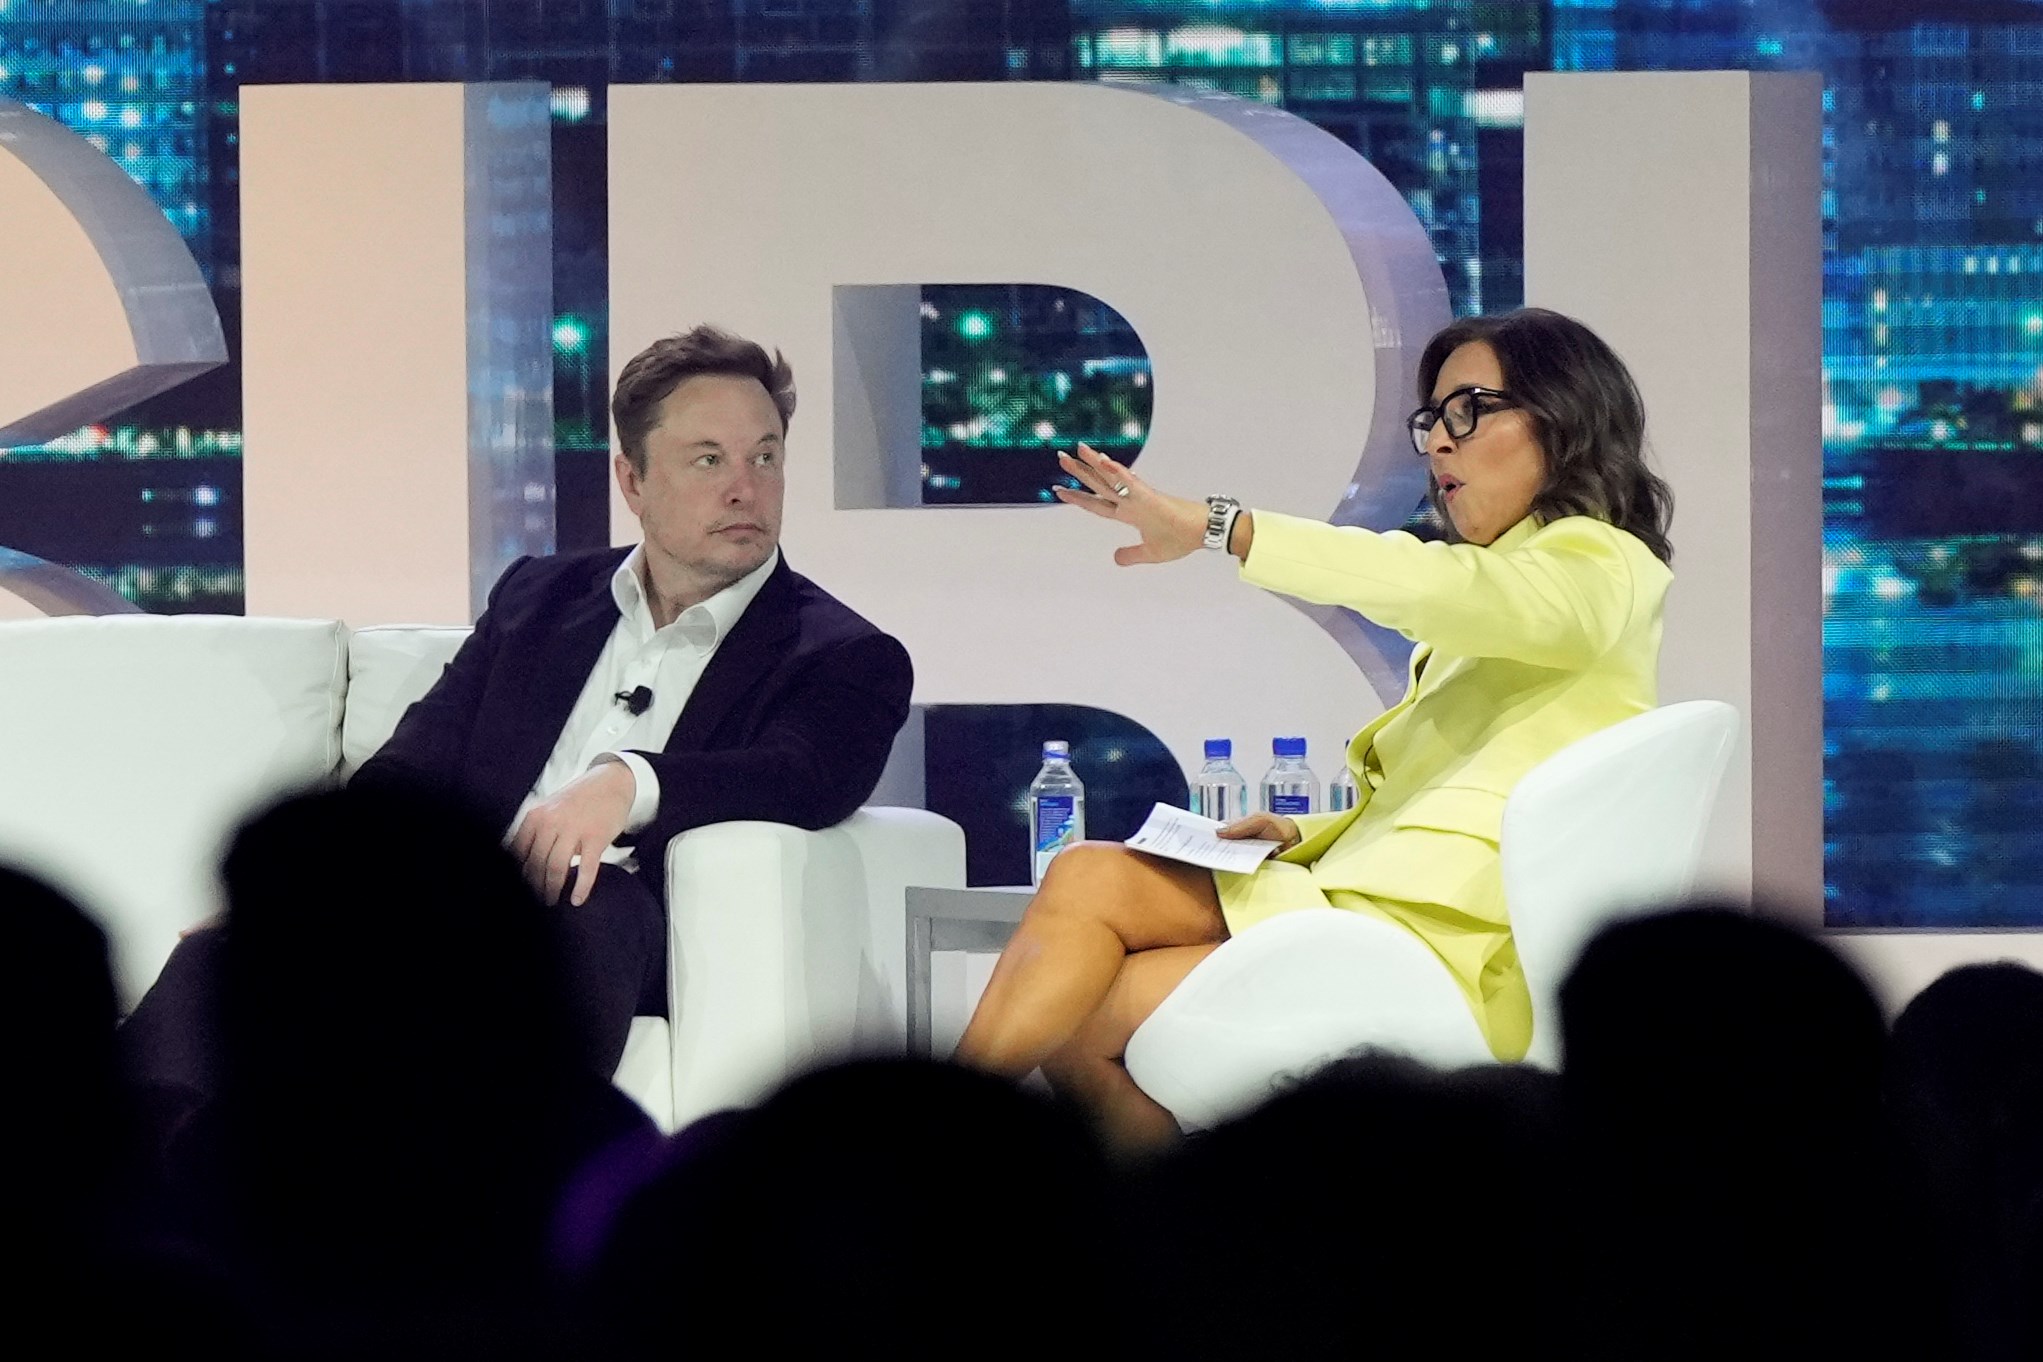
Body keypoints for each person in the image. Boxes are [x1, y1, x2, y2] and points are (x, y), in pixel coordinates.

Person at [954, 307, 1674, 1150]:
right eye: (1432, 420)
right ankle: (937, 1144)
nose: (1439, 443)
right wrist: (1303, 831)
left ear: (1565, 419)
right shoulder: (1511, 591)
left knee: (1079, 1016)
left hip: (1441, 944)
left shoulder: (1600, 564)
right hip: (1373, 904)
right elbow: (1452, 796)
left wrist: (1223, 528)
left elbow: (1434, 585)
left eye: (1468, 411)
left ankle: (915, 1145)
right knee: (1084, 877)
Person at [127, 324, 914, 1094]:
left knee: (589, 898)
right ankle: (120, 1198)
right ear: (631, 480)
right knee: (229, 955)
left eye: (765, 457)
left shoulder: (840, 653)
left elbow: (802, 774)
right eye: (708, 459)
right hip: (454, 909)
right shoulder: (540, 598)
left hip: (616, 928)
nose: (746, 487)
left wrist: (628, 784)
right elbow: (420, 759)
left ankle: (493, 1190)